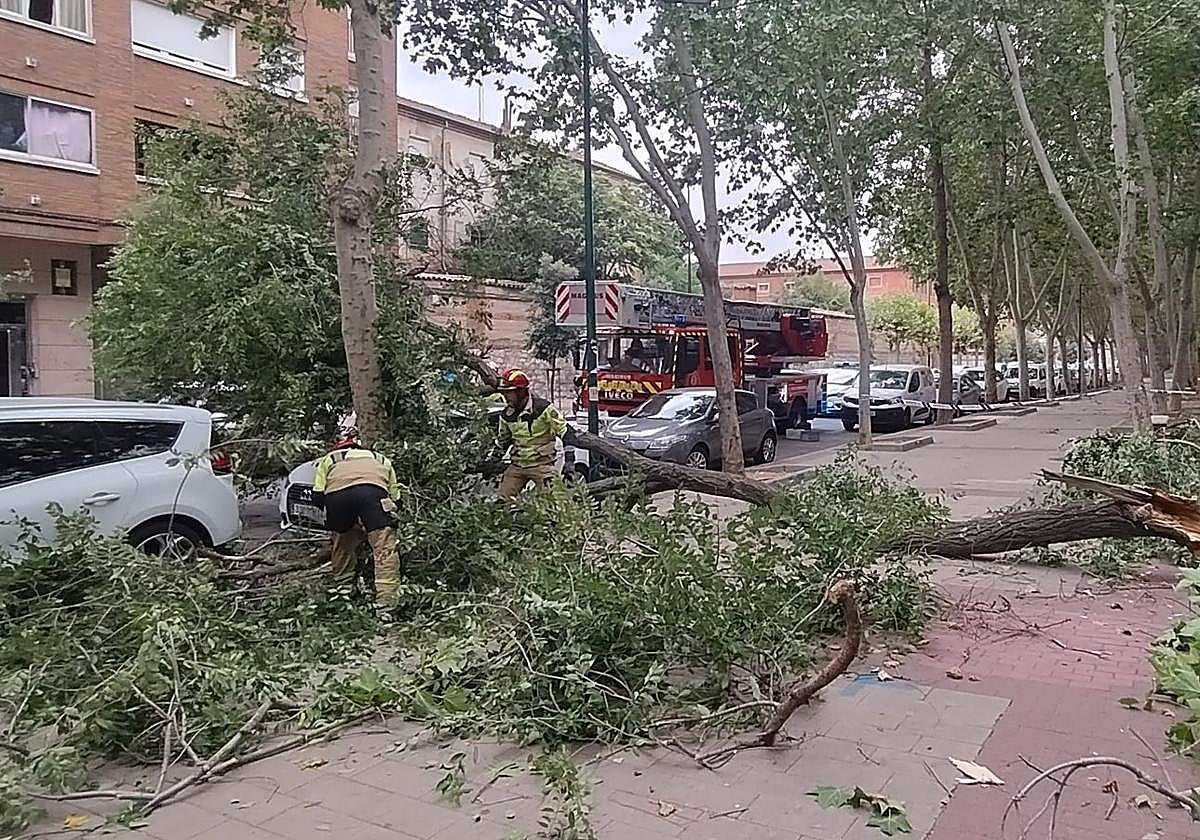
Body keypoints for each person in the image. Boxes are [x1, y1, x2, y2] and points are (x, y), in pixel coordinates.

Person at [311, 434, 401, 606]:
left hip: (338, 499)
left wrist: (339, 521)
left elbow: (317, 495)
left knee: (342, 543)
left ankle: (343, 594)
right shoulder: (381, 459)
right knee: (384, 548)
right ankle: (387, 603)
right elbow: (396, 498)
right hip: (374, 495)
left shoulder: (330, 458)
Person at [495, 368, 568, 499]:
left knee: (554, 501)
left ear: (521, 392)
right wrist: (493, 459)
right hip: (517, 466)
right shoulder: (506, 415)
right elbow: (503, 441)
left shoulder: (544, 409)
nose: (506, 397)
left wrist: (570, 460)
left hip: (542, 466)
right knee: (502, 501)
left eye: (509, 393)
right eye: (504, 393)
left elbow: (565, 431)